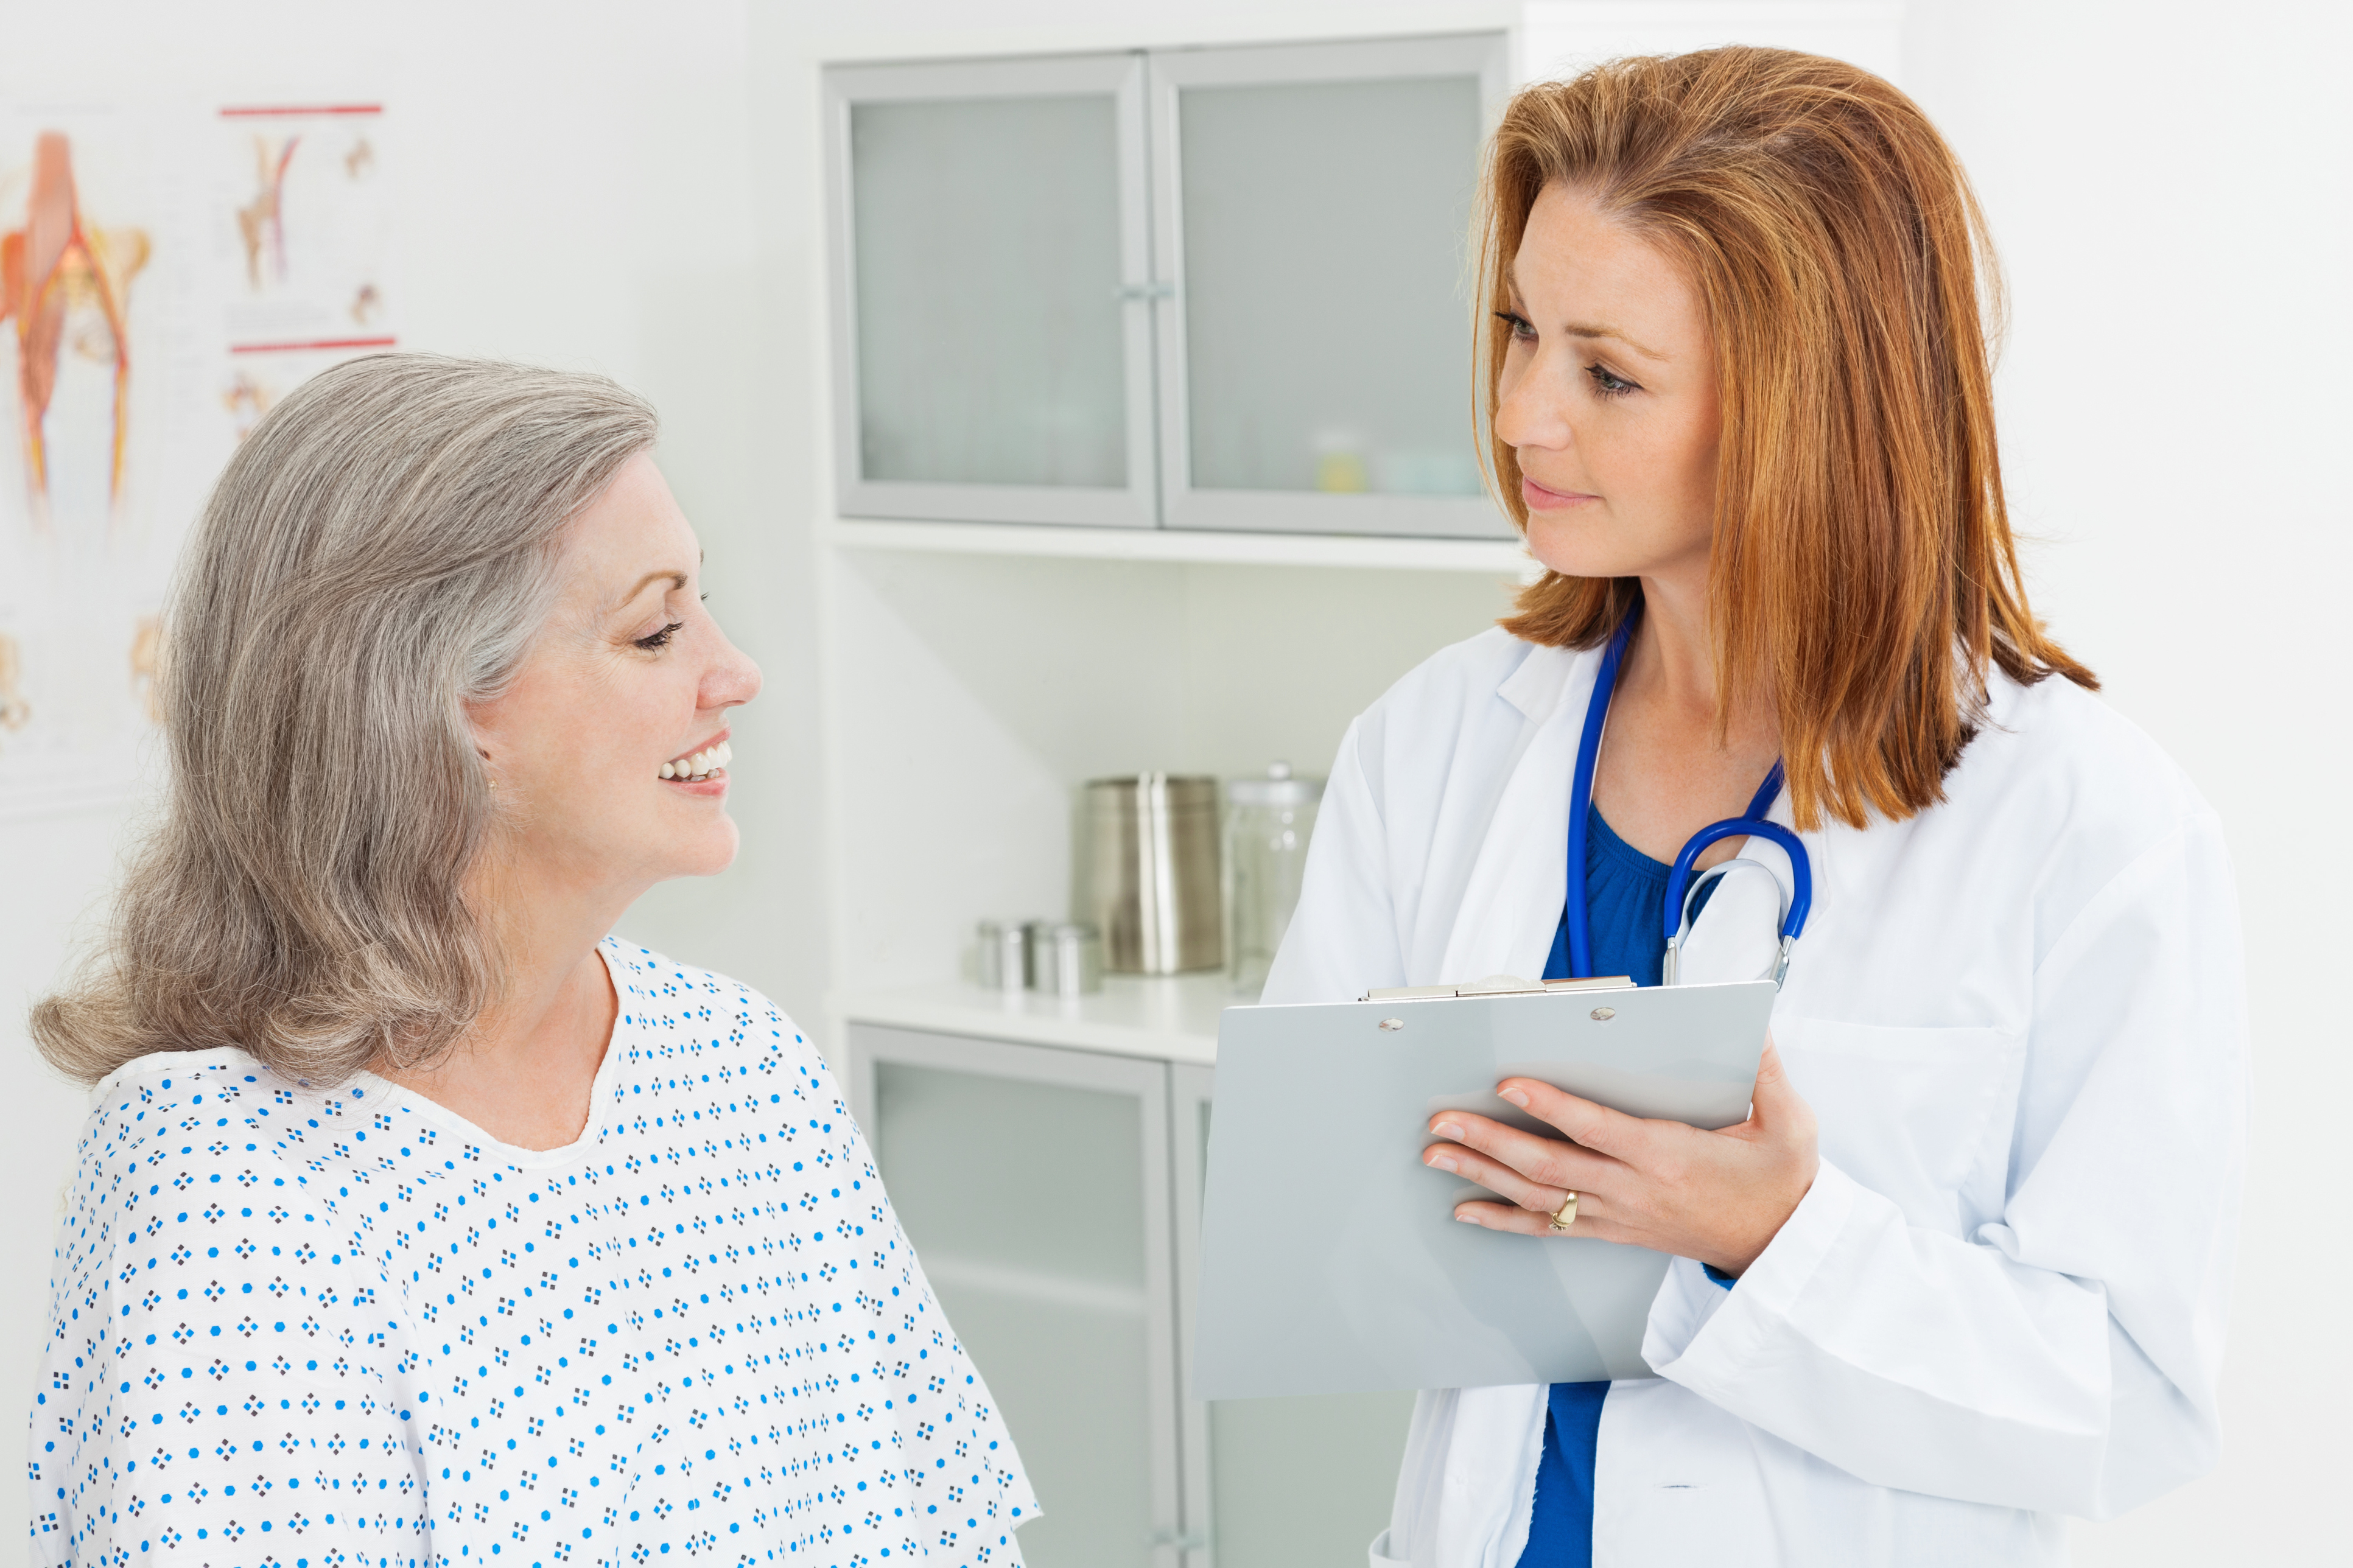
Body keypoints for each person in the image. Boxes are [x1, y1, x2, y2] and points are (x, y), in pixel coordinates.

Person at [1263, 47, 2245, 1567]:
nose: (1523, 413)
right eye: (1521, 328)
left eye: (1608, 371)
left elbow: (2127, 1397)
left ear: (1809, 404)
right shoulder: (1439, 740)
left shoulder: (2084, 823)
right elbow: (1315, 1225)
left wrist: (1773, 1241)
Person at [27, 355, 1036, 1566]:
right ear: (442, 704)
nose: (734, 671)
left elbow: (943, 1536)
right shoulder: (221, 1169)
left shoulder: (747, 1069)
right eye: (655, 628)